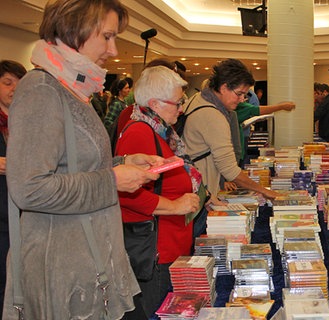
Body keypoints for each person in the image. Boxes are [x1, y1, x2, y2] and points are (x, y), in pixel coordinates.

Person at [4, 1, 163, 319]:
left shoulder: (71, 87)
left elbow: (75, 165)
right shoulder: (42, 90)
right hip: (65, 270)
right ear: (74, 28)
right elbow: (29, 188)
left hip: (91, 261)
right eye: (107, 36)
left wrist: (122, 163)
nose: (114, 50)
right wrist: (113, 180)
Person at [116, 66, 201, 318]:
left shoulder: (160, 129)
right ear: (154, 103)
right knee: (158, 311)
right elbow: (128, 192)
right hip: (156, 249)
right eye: (177, 103)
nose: (181, 108)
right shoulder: (140, 132)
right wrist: (175, 206)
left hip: (170, 242)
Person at [182, 59, 280, 237]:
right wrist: (265, 191)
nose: (242, 99)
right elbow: (229, 170)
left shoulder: (198, 99)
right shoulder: (212, 115)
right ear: (224, 87)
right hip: (199, 194)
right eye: (239, 93)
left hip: (198, 189)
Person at [0, 60, 26, 319]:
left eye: (19, 84)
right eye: (7, 83)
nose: (14, 89)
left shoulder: (28, 119)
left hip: (24, 212)